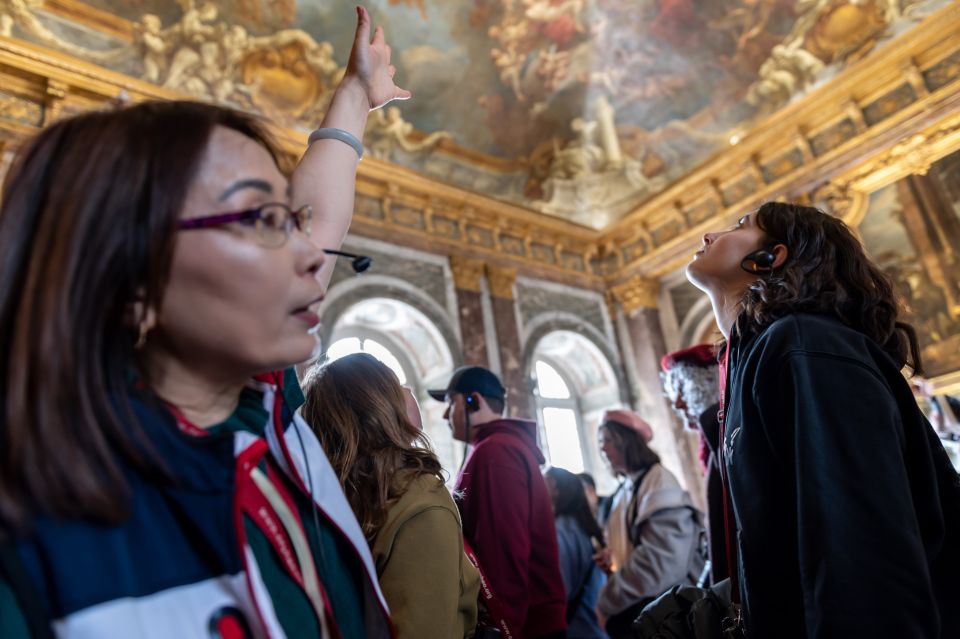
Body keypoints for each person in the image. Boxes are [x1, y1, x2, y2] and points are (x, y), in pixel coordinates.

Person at [0, 7, 410, 637]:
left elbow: (319, 216)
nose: (311, 252)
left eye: (289, 220)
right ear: (130, 276)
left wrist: (355, 94)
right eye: (260, 220)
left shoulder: (262, 404)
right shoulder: (32, 533)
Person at [682, 201, 960, 637]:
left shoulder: (804, 345)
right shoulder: (759, 355)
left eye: (740, 225)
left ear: (772, 257)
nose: (708, 236)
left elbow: (860, 546)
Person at [300, 353, 480, 638]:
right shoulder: (419, 503)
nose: (408, 393)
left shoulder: (326, 491)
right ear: (379, 408)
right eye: (395, 385)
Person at [429, 365, 567, 638]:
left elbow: (504, 554)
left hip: (523, 626)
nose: (446, 415)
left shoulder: (496, 452)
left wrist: (503, 629)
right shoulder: (497, 448)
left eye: (450, 403)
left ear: (473, 401)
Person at [595, 409, 705, 639]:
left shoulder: (659, 483)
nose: (602, 448)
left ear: (628, 442)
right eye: (600, 441)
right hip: (642, 609)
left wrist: (607, 600)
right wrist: (613, 558)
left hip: (667, 614)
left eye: (608, 440)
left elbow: (661, 562)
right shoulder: (626, 489)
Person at [660, 345, 726, 583]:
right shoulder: (708, 435)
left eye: (682, 390)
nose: (677, 404)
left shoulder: (723, 430)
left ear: (706, 383)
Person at [545, 467, 609, 639]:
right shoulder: (582, 527)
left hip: (577, 628)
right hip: (592, 625)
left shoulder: (561, 530)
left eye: (545, 481)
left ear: (556, 489)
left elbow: (560, 589)